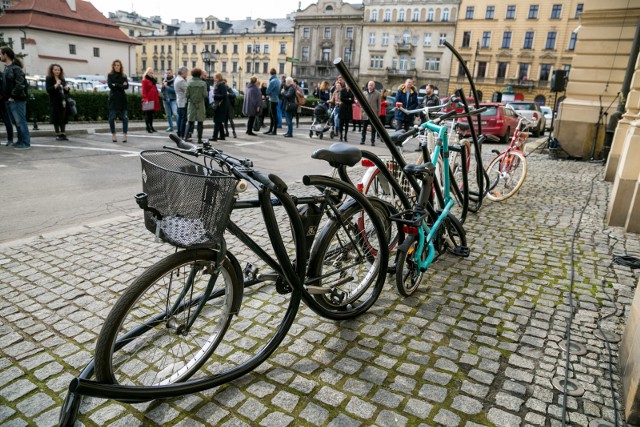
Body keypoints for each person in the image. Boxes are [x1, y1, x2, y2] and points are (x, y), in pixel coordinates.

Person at [1, 46, 30, 149]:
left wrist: (13, 96)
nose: (0, 56)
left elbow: (20, 84)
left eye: (1, 54)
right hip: (9, 99)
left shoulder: (16, 68)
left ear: (5, 54)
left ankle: (25, 143)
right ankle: (20, 141)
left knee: (20, 121)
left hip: (17, 99)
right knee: (16, 122)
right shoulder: (7, 68)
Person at [45, 63, 70, 141]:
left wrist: (67, 89)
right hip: (54, 101)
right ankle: (58, 134)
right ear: (52, 70)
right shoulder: (49, 78)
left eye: (58, 70)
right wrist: (56, 85)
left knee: (63, 117)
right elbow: (48, 90)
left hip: (63, 101)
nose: (57, 71)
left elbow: (66, 91)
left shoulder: (62, 79)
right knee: (56, 117)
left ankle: (63, 133)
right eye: (55, 70)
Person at [107, 59, 129, 143]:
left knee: (125, 117)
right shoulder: (110, 75)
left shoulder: (124, 76)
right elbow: (110, 85)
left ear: (120, 66)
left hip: (122, 98)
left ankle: (124, 134)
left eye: (118, 65)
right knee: (111, 117)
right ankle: (114, 134)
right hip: (113, 98)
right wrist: (120, 85)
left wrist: (115, 84)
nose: (116, 66)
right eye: (115, 65)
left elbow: (126, 86)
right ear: (113, 66)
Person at [184, 67, 207, 143]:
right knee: (200, 122)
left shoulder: (189, 83)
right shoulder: (203, 83)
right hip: (200, 104)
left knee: (190, 122)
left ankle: (186, 137)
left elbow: (186, 95)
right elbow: (205, 95)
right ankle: (199, 139)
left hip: (192, 104)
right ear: (200, 74)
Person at [361, 81, 381, 146]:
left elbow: (379, 104)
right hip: (365, 113)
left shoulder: (377, 93)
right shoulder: (364, 93)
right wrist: (362, 110)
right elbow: (361, 103)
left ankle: (372, 141)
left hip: (373, 114)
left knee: (373, 129)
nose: (370, 86)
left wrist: (378, 114)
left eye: (372, 85)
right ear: (368, 86)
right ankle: (362, 140)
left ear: (374, 86)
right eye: (369, 85)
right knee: (364, 128)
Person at [212, 73, 230, 141]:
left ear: (218, 78)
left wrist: (214, 96)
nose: (214, 79)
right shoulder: (220, 84)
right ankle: (222, 136)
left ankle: (215, 137)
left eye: (215, 77)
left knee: (217, 121)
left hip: (220, 105)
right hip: (221, 105)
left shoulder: (221, 85)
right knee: (219, 121)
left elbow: (224, 95)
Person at [141, 67, 160, 133]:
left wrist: (157, 96)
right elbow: (144, 91)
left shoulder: (153, 80)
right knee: (147, 114)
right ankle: (148, 127)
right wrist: (145, 99)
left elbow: (155, 89)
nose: (151, 74)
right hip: (148, 99)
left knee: (151, 114)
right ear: (147, 73)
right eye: (150, 72)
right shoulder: (145, 80)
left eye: (152, 72)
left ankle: (151, 126)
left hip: (153, 99)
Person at [263, 68, 281, 135]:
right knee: (273, 115)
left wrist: (269, 92)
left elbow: (267, 91)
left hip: (272, 99)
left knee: (273, 115)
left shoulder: (272, 81)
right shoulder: (278, 81)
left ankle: (273, 131)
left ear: (270, 73)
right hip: (276, 99)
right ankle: (271, 130)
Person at [174, 66, 188, 138]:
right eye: (186, 73)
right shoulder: (181, 80)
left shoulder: (177, 78)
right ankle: (181, 134)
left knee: (180, 118)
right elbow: (187, 90)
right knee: (183, 118)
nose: (187, 74)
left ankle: (179, 133)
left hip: (179, 101)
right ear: (183, 72)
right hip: (183, 101)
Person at [0, 71, 14, 146]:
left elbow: (5, 87)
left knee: (7, 121)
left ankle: (10, 139)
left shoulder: (2, 75)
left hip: (3, 100)